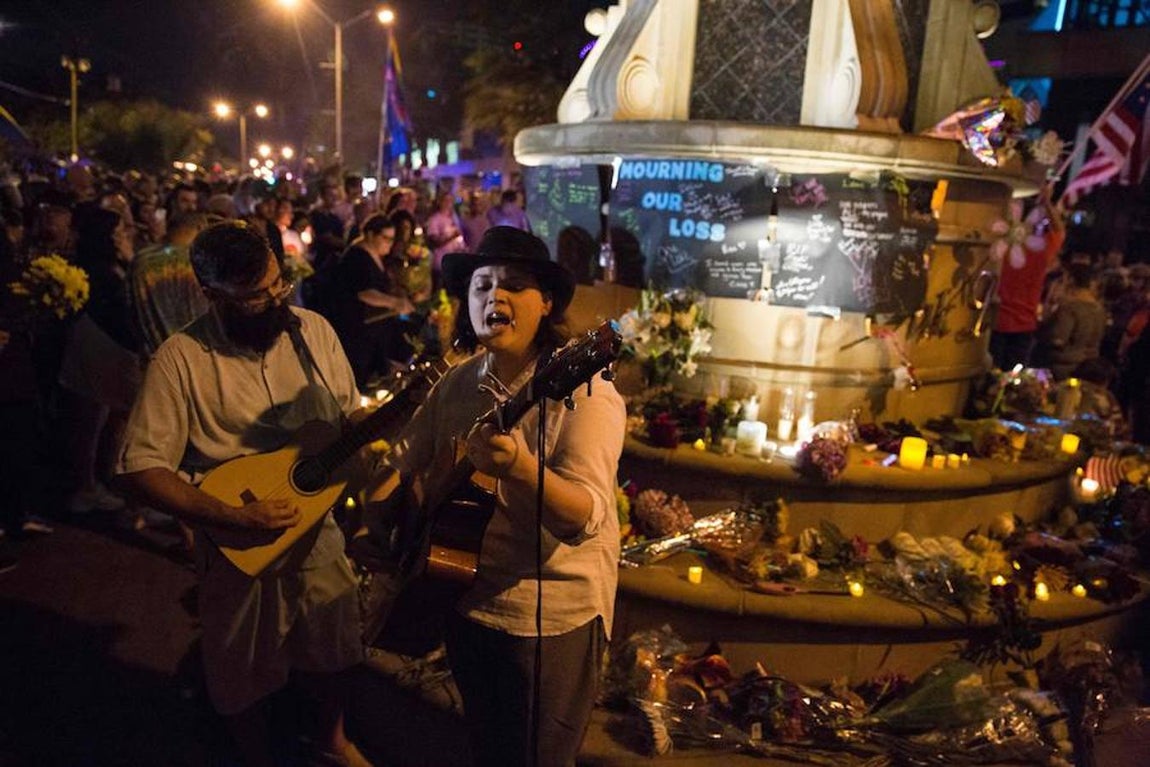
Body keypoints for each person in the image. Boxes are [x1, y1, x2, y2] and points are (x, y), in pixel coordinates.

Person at [114, 221, 373, 767]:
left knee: (334, 646)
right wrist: (229, 514)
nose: (278, 299)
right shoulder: (179, 359)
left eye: (279, 283)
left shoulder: (314, 331)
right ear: (212, 294)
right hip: (236, 546)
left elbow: (348, 411)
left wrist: (371, 427)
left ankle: (333, 741)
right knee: (240, 671)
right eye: (257, 295)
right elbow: (140, 466)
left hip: (316, 530)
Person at [371, 226, 625, 767]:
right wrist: (383, 516)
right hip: (461, 591)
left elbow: (586, 518)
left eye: (513, 285)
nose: (494, 296)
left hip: (549, 616)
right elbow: (403, 458)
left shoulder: (585, 393)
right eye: (482, 285)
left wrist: (521, 468)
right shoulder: (461, 382)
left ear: (547, 303)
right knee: (489, 746)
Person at [989, 191, 1064, 371]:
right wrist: (1047, 202)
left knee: (988, 374)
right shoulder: (1041, 251)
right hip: (1024, 324)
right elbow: (1059, 230)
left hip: (995, 321)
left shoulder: (999, 247)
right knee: (1011, 379)